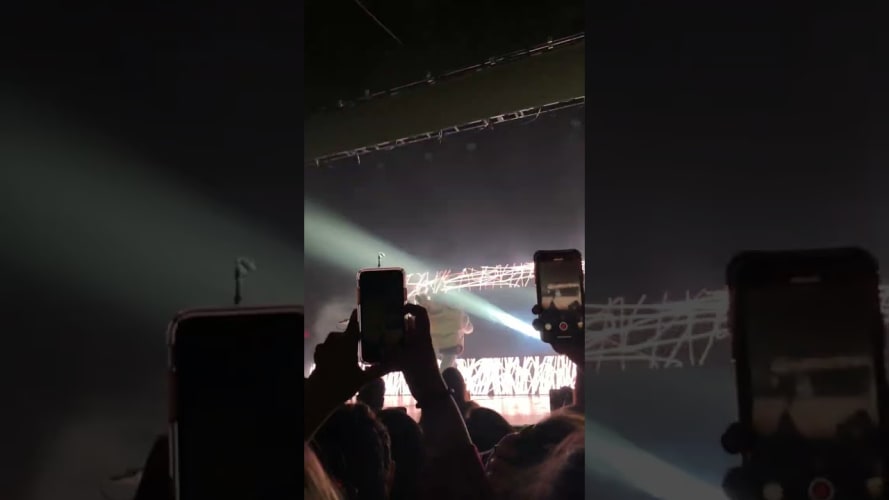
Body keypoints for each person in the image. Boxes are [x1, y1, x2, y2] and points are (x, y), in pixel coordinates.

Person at [415, 295, 473, 371]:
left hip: (440, 343)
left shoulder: (443, 309)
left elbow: (431, 306)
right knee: (445, 365)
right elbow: (469, 329)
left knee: (435, 361)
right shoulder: (460, 315)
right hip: (450, 345)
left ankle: (439, 373)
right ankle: (443, 374)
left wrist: (424, 301)